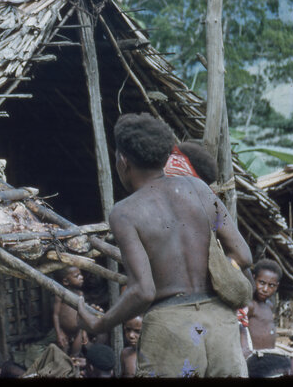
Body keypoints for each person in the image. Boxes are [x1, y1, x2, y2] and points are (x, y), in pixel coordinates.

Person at [75, 113, 252, 378]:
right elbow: (243, 255)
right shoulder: (200, 189)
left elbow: (143, 291)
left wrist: (100, 322)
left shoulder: (124, 212)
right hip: (220, 324)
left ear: (123, 161)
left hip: (171, 326)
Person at [245, 258, 282, 352]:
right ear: (253, 279)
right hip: (253, 356)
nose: (265, 289)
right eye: (262, 283)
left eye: (271, 285)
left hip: (267, 355)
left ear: (277, 286)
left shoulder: (269, 305)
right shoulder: (250, 305)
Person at [53, 266, 89, 356]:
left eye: (81, 274)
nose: (82, 277)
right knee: (63, 357)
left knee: (75, 355)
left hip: (78, 332)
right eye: (77, 276)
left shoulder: (80, 294)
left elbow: (82, 314)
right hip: (64, 331)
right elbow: (55, 315)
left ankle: (75, 369)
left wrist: (84, 332)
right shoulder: (60, 295)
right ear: (66, 281)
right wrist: (59, 333)